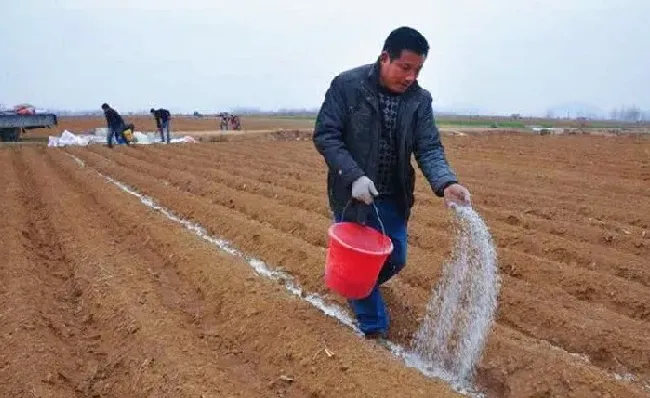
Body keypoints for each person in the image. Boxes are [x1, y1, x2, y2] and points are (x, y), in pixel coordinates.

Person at [312, 26, 471, 339]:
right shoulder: (347, 86)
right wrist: (353, 174)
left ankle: (355, 286)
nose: (411, 76)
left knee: (396, 258)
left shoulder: (419, 101)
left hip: (393, 195)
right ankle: (374, 330)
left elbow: (428, 147)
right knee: (360, 259)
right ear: (385, 58)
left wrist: (446, 182)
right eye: (405, 67)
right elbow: (326, 135)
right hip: (353, 194)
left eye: (418, 69)